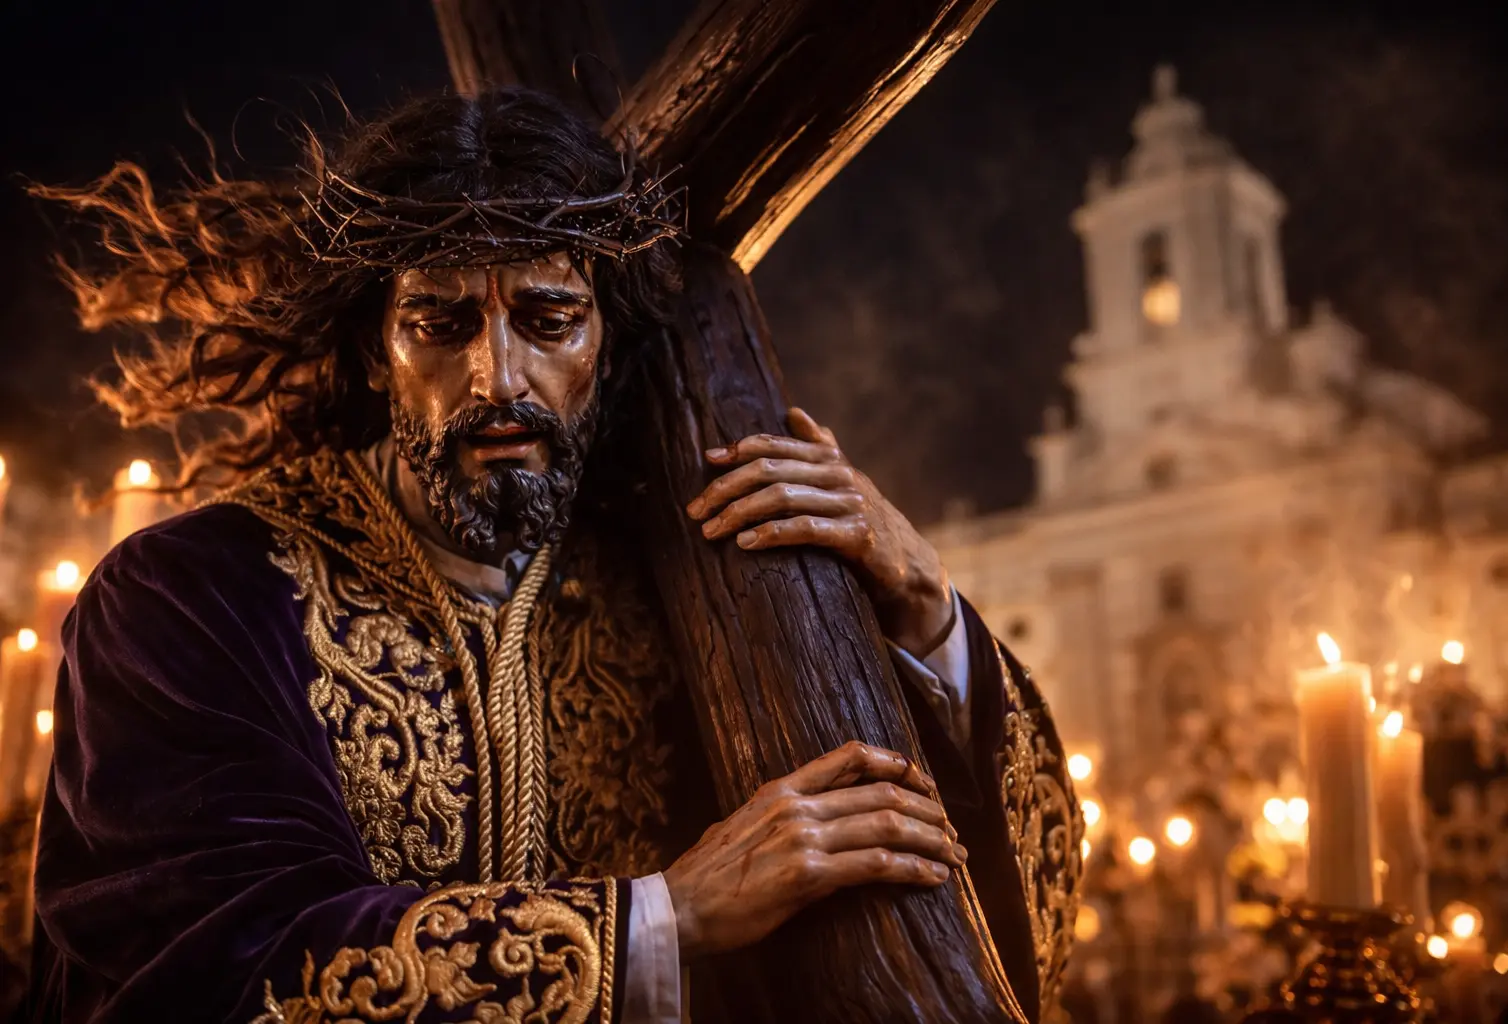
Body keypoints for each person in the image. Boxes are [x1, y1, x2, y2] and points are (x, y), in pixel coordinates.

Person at [26, 88, 1082, 1023]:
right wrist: (667, 917)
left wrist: (923, 608)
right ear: (374, 349)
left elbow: (1005, 925)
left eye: (548, 319)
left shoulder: (696, 596)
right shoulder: (188, 599)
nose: (497, 376)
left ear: (604, 344)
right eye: (440, 323)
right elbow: (212, 963)